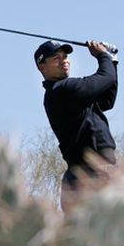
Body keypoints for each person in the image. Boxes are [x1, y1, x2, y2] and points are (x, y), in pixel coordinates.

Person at [35, 39, 119, 213]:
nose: (64, 60)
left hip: (85, 174)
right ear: (42, 67)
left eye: (65, 57)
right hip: (91, 173)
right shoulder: (61, 90)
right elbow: (105, 78)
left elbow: (107, 100)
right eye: (56, 58)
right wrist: (103, 56)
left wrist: (112, 61)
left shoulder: (70, 93)